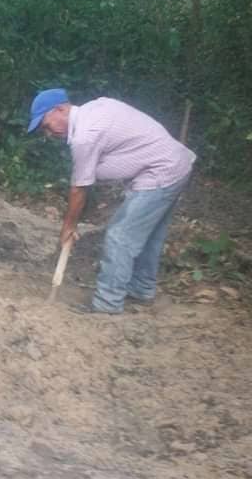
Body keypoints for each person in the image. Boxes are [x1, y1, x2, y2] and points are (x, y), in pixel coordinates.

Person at [28, 88, 195, 314]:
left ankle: (108, 303)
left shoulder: (85, 135)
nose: (48, 133)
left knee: (120, 235)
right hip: (175, 164)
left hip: (161, 172)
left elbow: (79, 189)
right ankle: (141, 290)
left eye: (47, 125)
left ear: (60, 109)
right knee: (149, 235)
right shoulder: (96, 108)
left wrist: (68, 226)